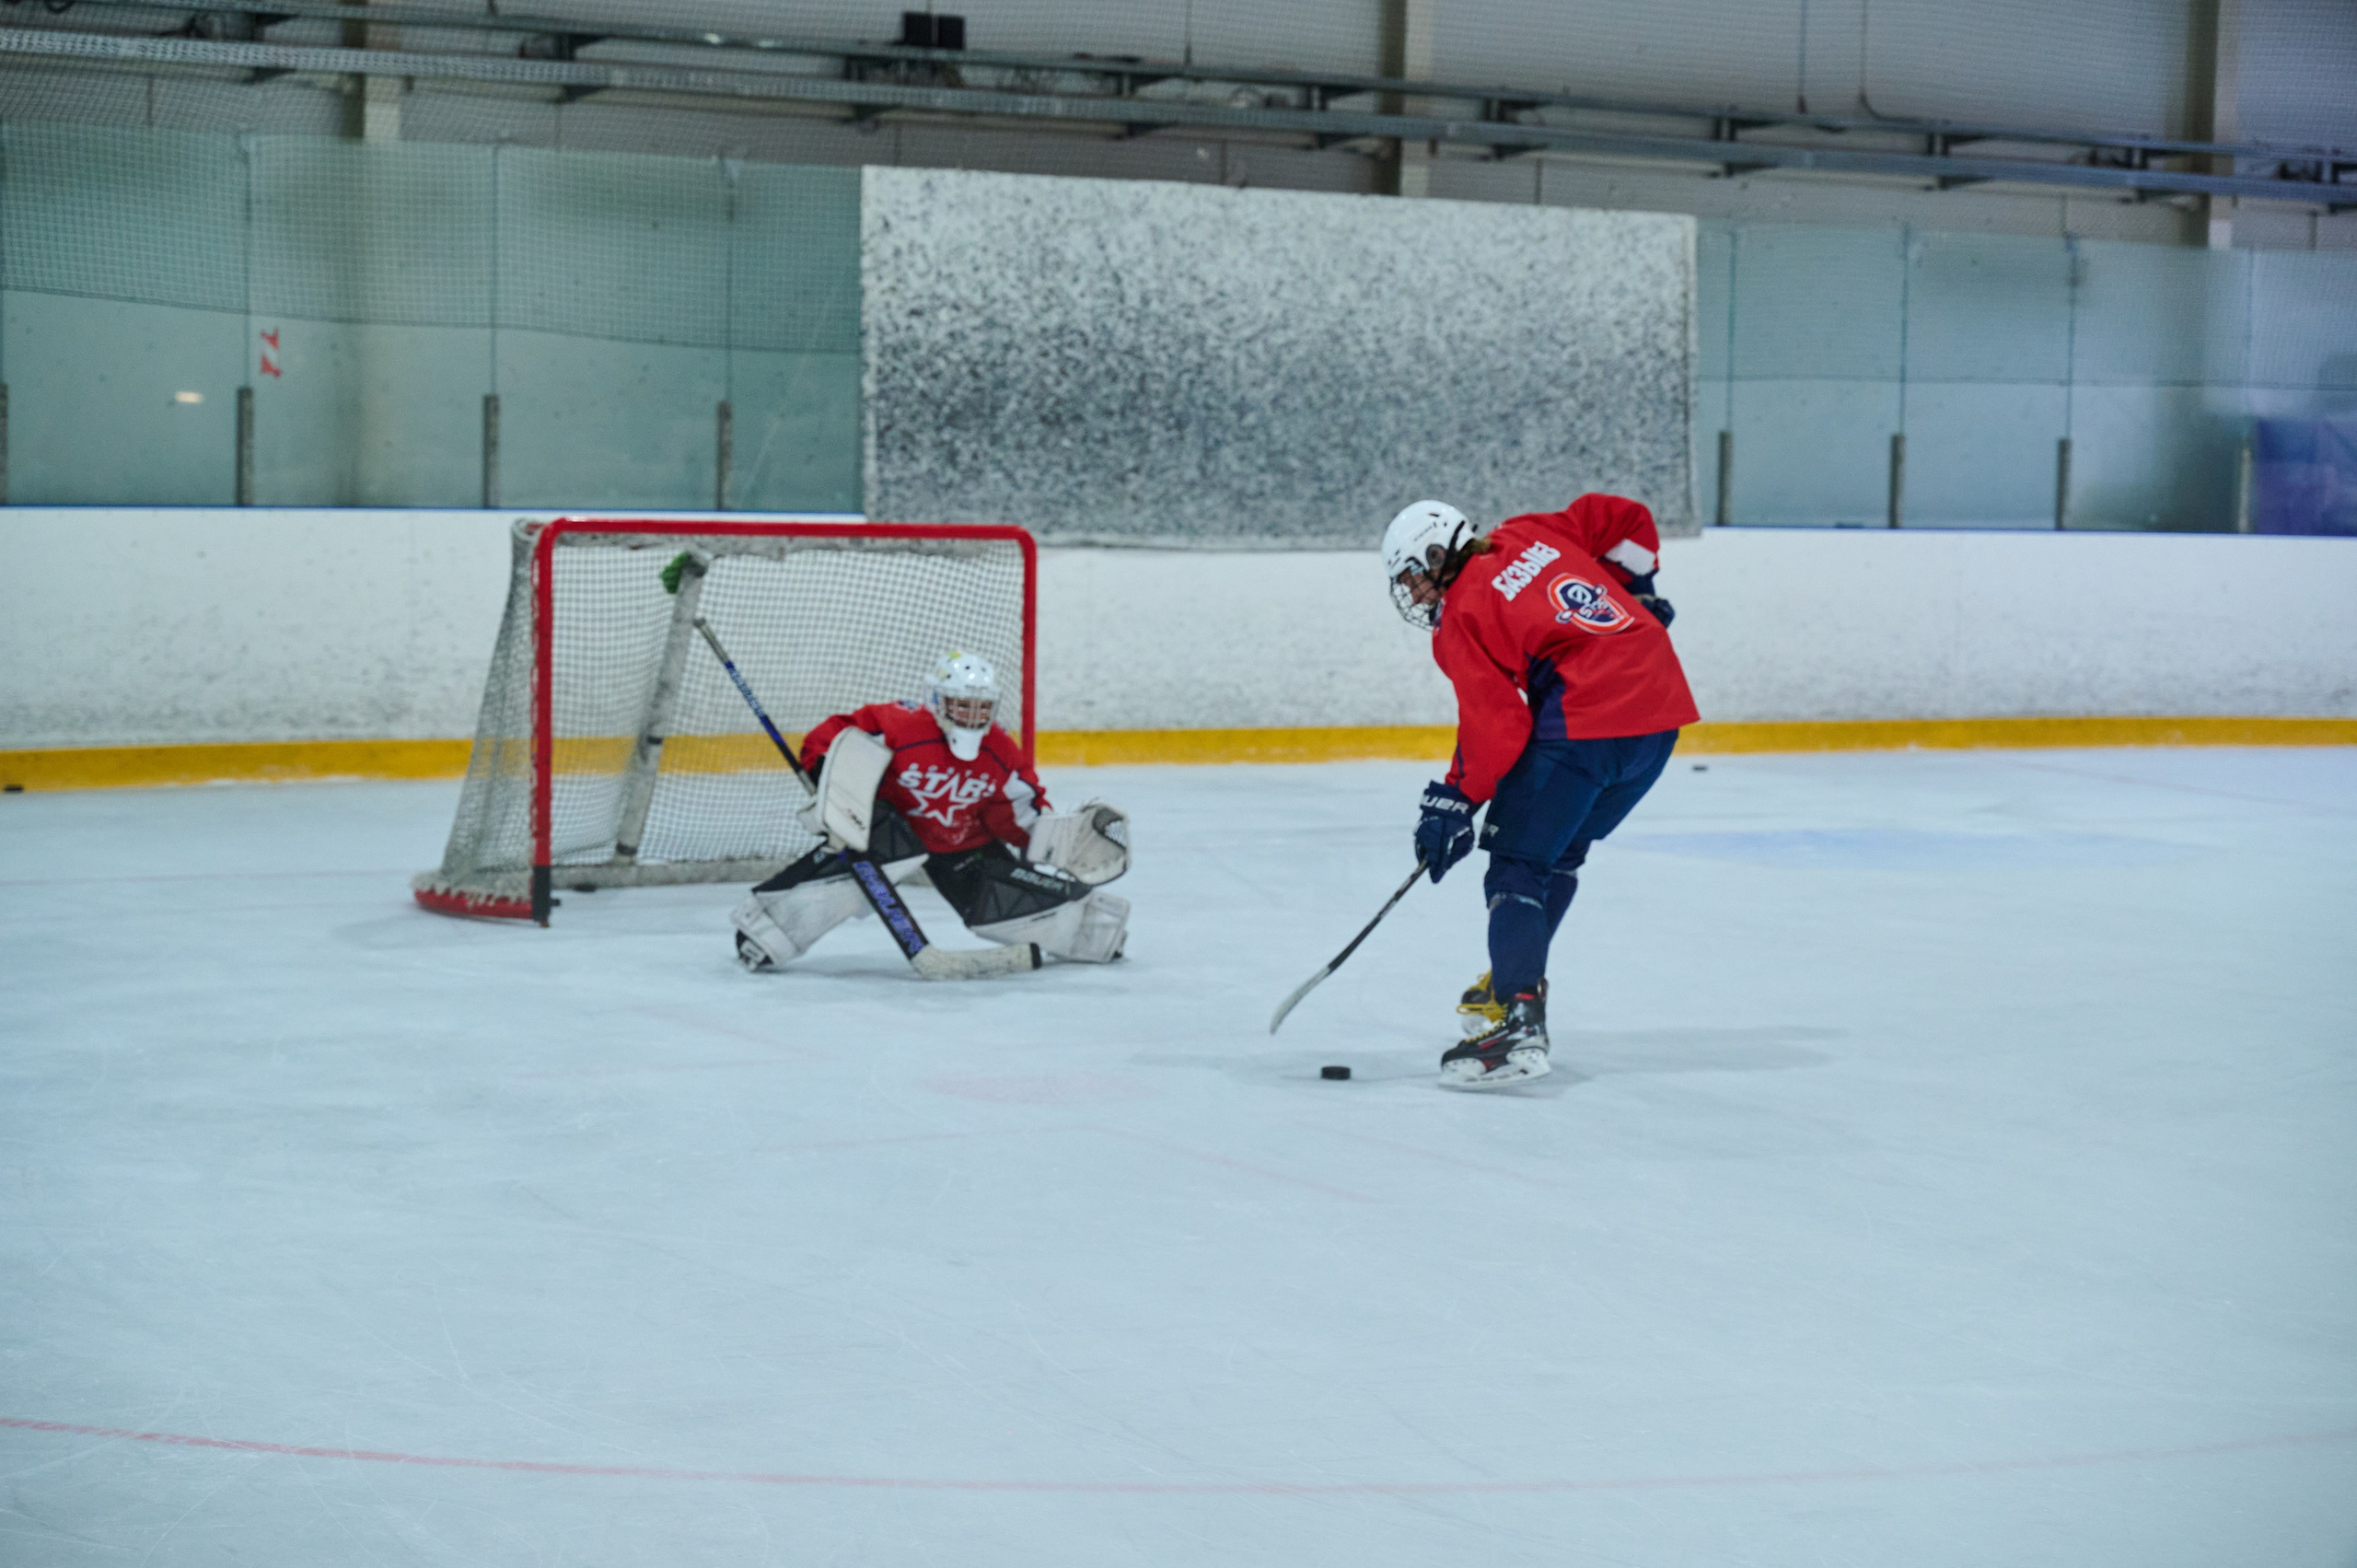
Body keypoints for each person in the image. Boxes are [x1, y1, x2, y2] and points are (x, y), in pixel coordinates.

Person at [1382, 494, 1698, 1089]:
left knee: (1517, 868)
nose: (1418, 595)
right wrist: (1639, 587)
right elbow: (1628, 517)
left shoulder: (1462, 616)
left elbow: (1497, 724)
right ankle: (1512, 981)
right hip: (1660, 714)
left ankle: (1520, 1020)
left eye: (1415, 577)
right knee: (1560, 856)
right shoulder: (1531, 532)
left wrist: (1453, 800)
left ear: (1436, 552)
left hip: (1589, 720)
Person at [731, 651, 1131, 971]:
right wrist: (827, 775)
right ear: (937, 701)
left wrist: (1053, 841)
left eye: (981, 707)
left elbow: (1018, 811)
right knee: (863, 850)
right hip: (891, 833)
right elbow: (834, 736)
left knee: (996, 902)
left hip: (962, 846)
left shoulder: (999, 751)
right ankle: (767, 931)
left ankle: (1090, 930)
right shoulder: (900, 725)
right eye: (961, 705)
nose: (972, 716)